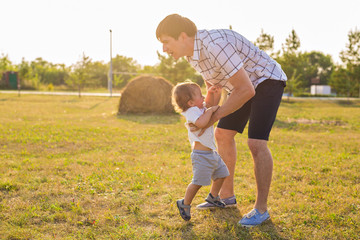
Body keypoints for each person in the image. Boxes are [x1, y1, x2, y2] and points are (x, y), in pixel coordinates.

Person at [156, 14, 287, 227]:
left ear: (182, 36)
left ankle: (261, 210)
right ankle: (225, 198)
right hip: (241, 86)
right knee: (222, 134)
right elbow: (214, 90)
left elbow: (246, 89)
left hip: (267, 80)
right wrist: (204, 112)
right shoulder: (193, 56)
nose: (164, 49)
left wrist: (211, 118)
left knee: (256, 143)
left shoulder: (214, 46)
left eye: (165, 42)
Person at [172, 81, 230, 221]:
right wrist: (210, 111)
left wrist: (211, 93)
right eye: (200, 95)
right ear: (191, 102)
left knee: (222, 174)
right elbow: (202, 123)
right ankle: (184, 203)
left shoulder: (198, 108)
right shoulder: (190, 112)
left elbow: (209, 105)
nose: (203, 97)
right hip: (201, 156)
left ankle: (213, 197)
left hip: (211, 153)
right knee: (198, 182)